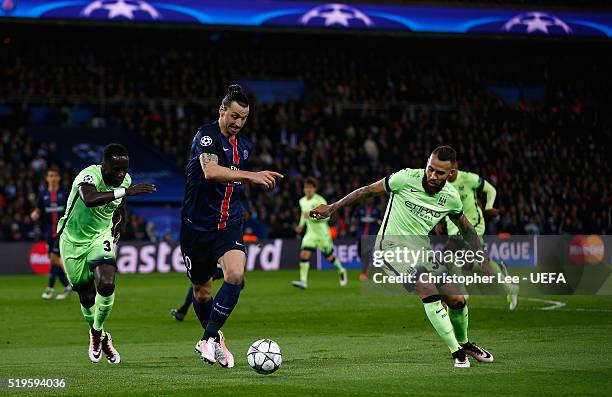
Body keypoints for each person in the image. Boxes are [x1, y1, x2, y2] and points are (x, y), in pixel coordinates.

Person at [310, 145, 494, 368]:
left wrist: (482, 257)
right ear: (427, 163)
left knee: (457, 300)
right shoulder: (405, 179)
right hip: (391, 249)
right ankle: (456, 352)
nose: (433, 176)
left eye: (440, 173)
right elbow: (366, 191)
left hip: (422, 251)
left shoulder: (451, 198)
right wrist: (332, 207)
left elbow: (466, 228)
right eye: (430, 169)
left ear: (451, 173)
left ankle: (464, 343)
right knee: (427, 287)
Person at [180, 84, 282, 368]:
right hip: (196, 228)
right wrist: (252, 176)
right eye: (234, 116)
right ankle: (215, 339)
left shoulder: (245, 148)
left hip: (228, 225)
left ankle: (209, 337)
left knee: (235, 274)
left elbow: (232, 186)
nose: (238, 123)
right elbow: (210, 172)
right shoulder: (206, 136)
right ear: (222, 111)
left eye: (244, 118)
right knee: (202, 292)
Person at [57, 143, 156, 364]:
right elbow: (90, 199)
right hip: (71, 240)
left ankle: (95, 332)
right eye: (117, 170)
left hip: (100, 236)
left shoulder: (125, 180)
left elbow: (119, 204)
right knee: (86, 295)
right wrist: (126, 191)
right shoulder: (89, 175)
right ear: (104, 166)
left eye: (125, 169)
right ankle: (103, 338)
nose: (122, 174)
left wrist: (121, 222)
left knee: (107, 282)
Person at [443, 162, 519, 310]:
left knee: (449, 253)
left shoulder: (469, 178)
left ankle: (462, 293)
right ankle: (510, 287)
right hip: (453, 227)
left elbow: (491, 190)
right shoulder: (442, 184)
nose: (449, 174)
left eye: (452, 170)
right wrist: (439, 222)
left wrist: (489, 206)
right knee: (468, 264)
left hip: (473, 225)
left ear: (457, 166)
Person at [292, 177, 347, 289]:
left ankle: (341, 270)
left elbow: (327, 217)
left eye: (310, 188)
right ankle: (303, 281)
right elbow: (304, 215)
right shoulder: (302, 201)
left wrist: (312, 216)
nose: (308, 190)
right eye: (306, 187)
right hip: (311, 233)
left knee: (328, 257)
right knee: (304, 254)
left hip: (323, 234)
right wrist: (300, 226)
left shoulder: (320, 200)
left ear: (315, 189)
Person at [31, 166, 71, 300]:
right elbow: (38, 210)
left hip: (61, 232)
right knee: (54, 261)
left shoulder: (64, 194)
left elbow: (70, 211)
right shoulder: (42, 195)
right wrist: (35, 214)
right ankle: (67, 287)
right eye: (50, 175)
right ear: (47, 178)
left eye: (55, 175)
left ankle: (51, 288)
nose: (53, 178)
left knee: (54, 258)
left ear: (58, 178)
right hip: (48, 233)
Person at [355, 198, 382, 282]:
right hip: (361, 235)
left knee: (367, 253)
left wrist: (377, 222)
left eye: (371, 198)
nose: (369, 200)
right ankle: (367, 266)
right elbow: (355, 219)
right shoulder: (360, 209)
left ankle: (363, 273)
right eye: (368, 198)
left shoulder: (376, 210)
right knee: (360, 252)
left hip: (371, 235)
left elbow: (381, 221)